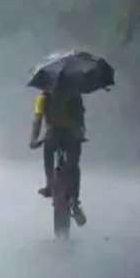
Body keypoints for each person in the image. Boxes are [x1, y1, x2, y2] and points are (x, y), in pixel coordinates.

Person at [29, 83, 87, 226]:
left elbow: (38, 119)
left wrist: (33, 139)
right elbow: (81, 120)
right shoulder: (75, 94)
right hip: (72, 136)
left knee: (48, 153)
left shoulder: (43, 97)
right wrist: (80, 132)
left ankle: (49, 184)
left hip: (53, 135)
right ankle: (74, 199)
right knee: (73, 165)